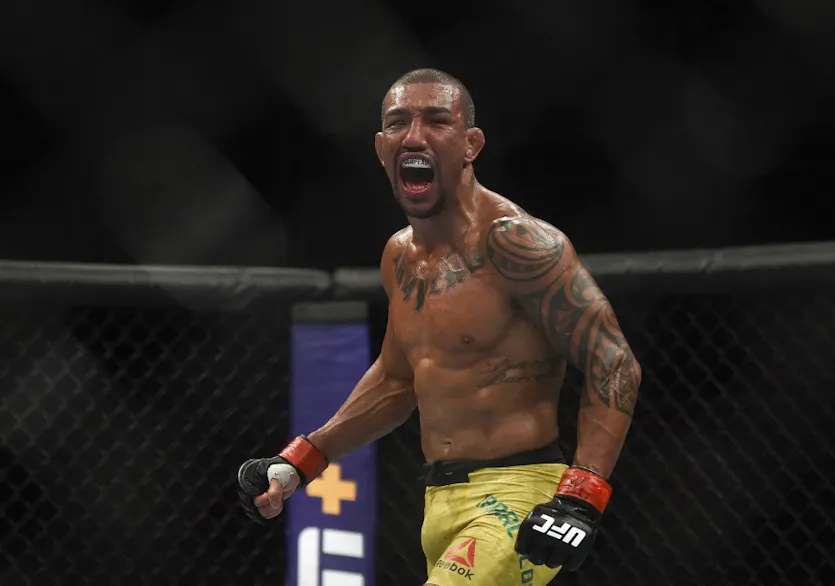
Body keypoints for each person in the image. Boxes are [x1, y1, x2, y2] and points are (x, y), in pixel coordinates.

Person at [237, 68, 642, 585]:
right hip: (438, 501)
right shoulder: (399, 255)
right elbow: (397, 379)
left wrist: (581, 497)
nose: (414, 135)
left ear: (470, 143)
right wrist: (303, 459)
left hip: (519, 495)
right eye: (399, 122)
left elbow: (614, 361)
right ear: (382, 148)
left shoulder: (517, 244)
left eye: (436, 121)